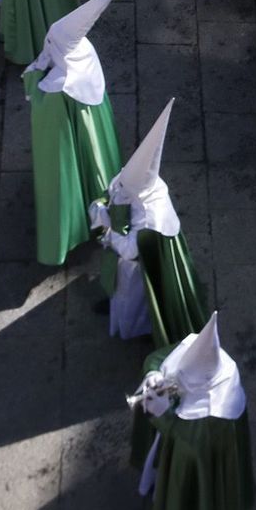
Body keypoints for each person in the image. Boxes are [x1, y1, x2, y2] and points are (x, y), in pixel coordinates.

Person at [22, 0, 128, 267]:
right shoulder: (84, 54)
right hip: (90, 125)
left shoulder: (57, 89)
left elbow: (41, 106)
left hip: (65, 141)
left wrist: (34, 78)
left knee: (65, 179)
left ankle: (67, 230)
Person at [89, 99, 212, 347]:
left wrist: (106, 228)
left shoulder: (149, 214)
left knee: (133, 298)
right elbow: (118, 186)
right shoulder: (139, 179)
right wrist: (104, 201)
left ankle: (138, 329)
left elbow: (130, 249)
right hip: (136, 248)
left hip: (142, 264)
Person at [128, 313, 256, 510]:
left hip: (195, 458)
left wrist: (160, 412)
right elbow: (160, 357)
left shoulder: (217, 407)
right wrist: (153, 373)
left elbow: (187, 440)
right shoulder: (195, 349)